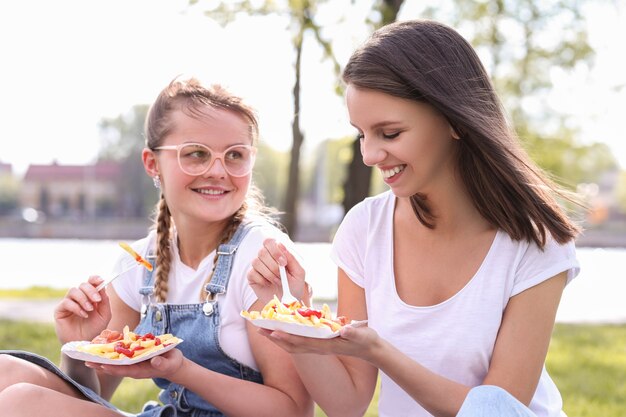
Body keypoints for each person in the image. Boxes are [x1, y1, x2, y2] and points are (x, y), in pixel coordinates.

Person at [247, 20, 582, 417]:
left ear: (454, 120)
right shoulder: (364, 229)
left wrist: (381, 353)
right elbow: (347, 403)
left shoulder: (534, 240)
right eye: (361, 135)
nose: (370, 155)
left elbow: (500, 410)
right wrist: (292, 320)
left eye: (389, 133)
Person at [0, 77, 313, 417]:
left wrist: (180, 370)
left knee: (19, 403)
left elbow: (293, 411)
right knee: (6, 372)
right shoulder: (141, 262)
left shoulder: (262, 255)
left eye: (235, 155)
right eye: (196, 154)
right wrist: (79, 347)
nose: (218, 171)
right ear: (152, 163)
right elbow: (93, 395)